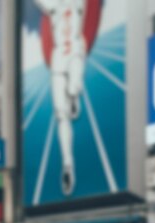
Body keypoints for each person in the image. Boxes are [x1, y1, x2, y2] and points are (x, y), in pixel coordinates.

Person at [35, 0, 87, 195]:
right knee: (60, 114)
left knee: (73, 87)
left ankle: (73, 96)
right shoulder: (53, 5)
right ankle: (67, 164)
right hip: (58, 59)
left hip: (74, 53)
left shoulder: (78, 4)